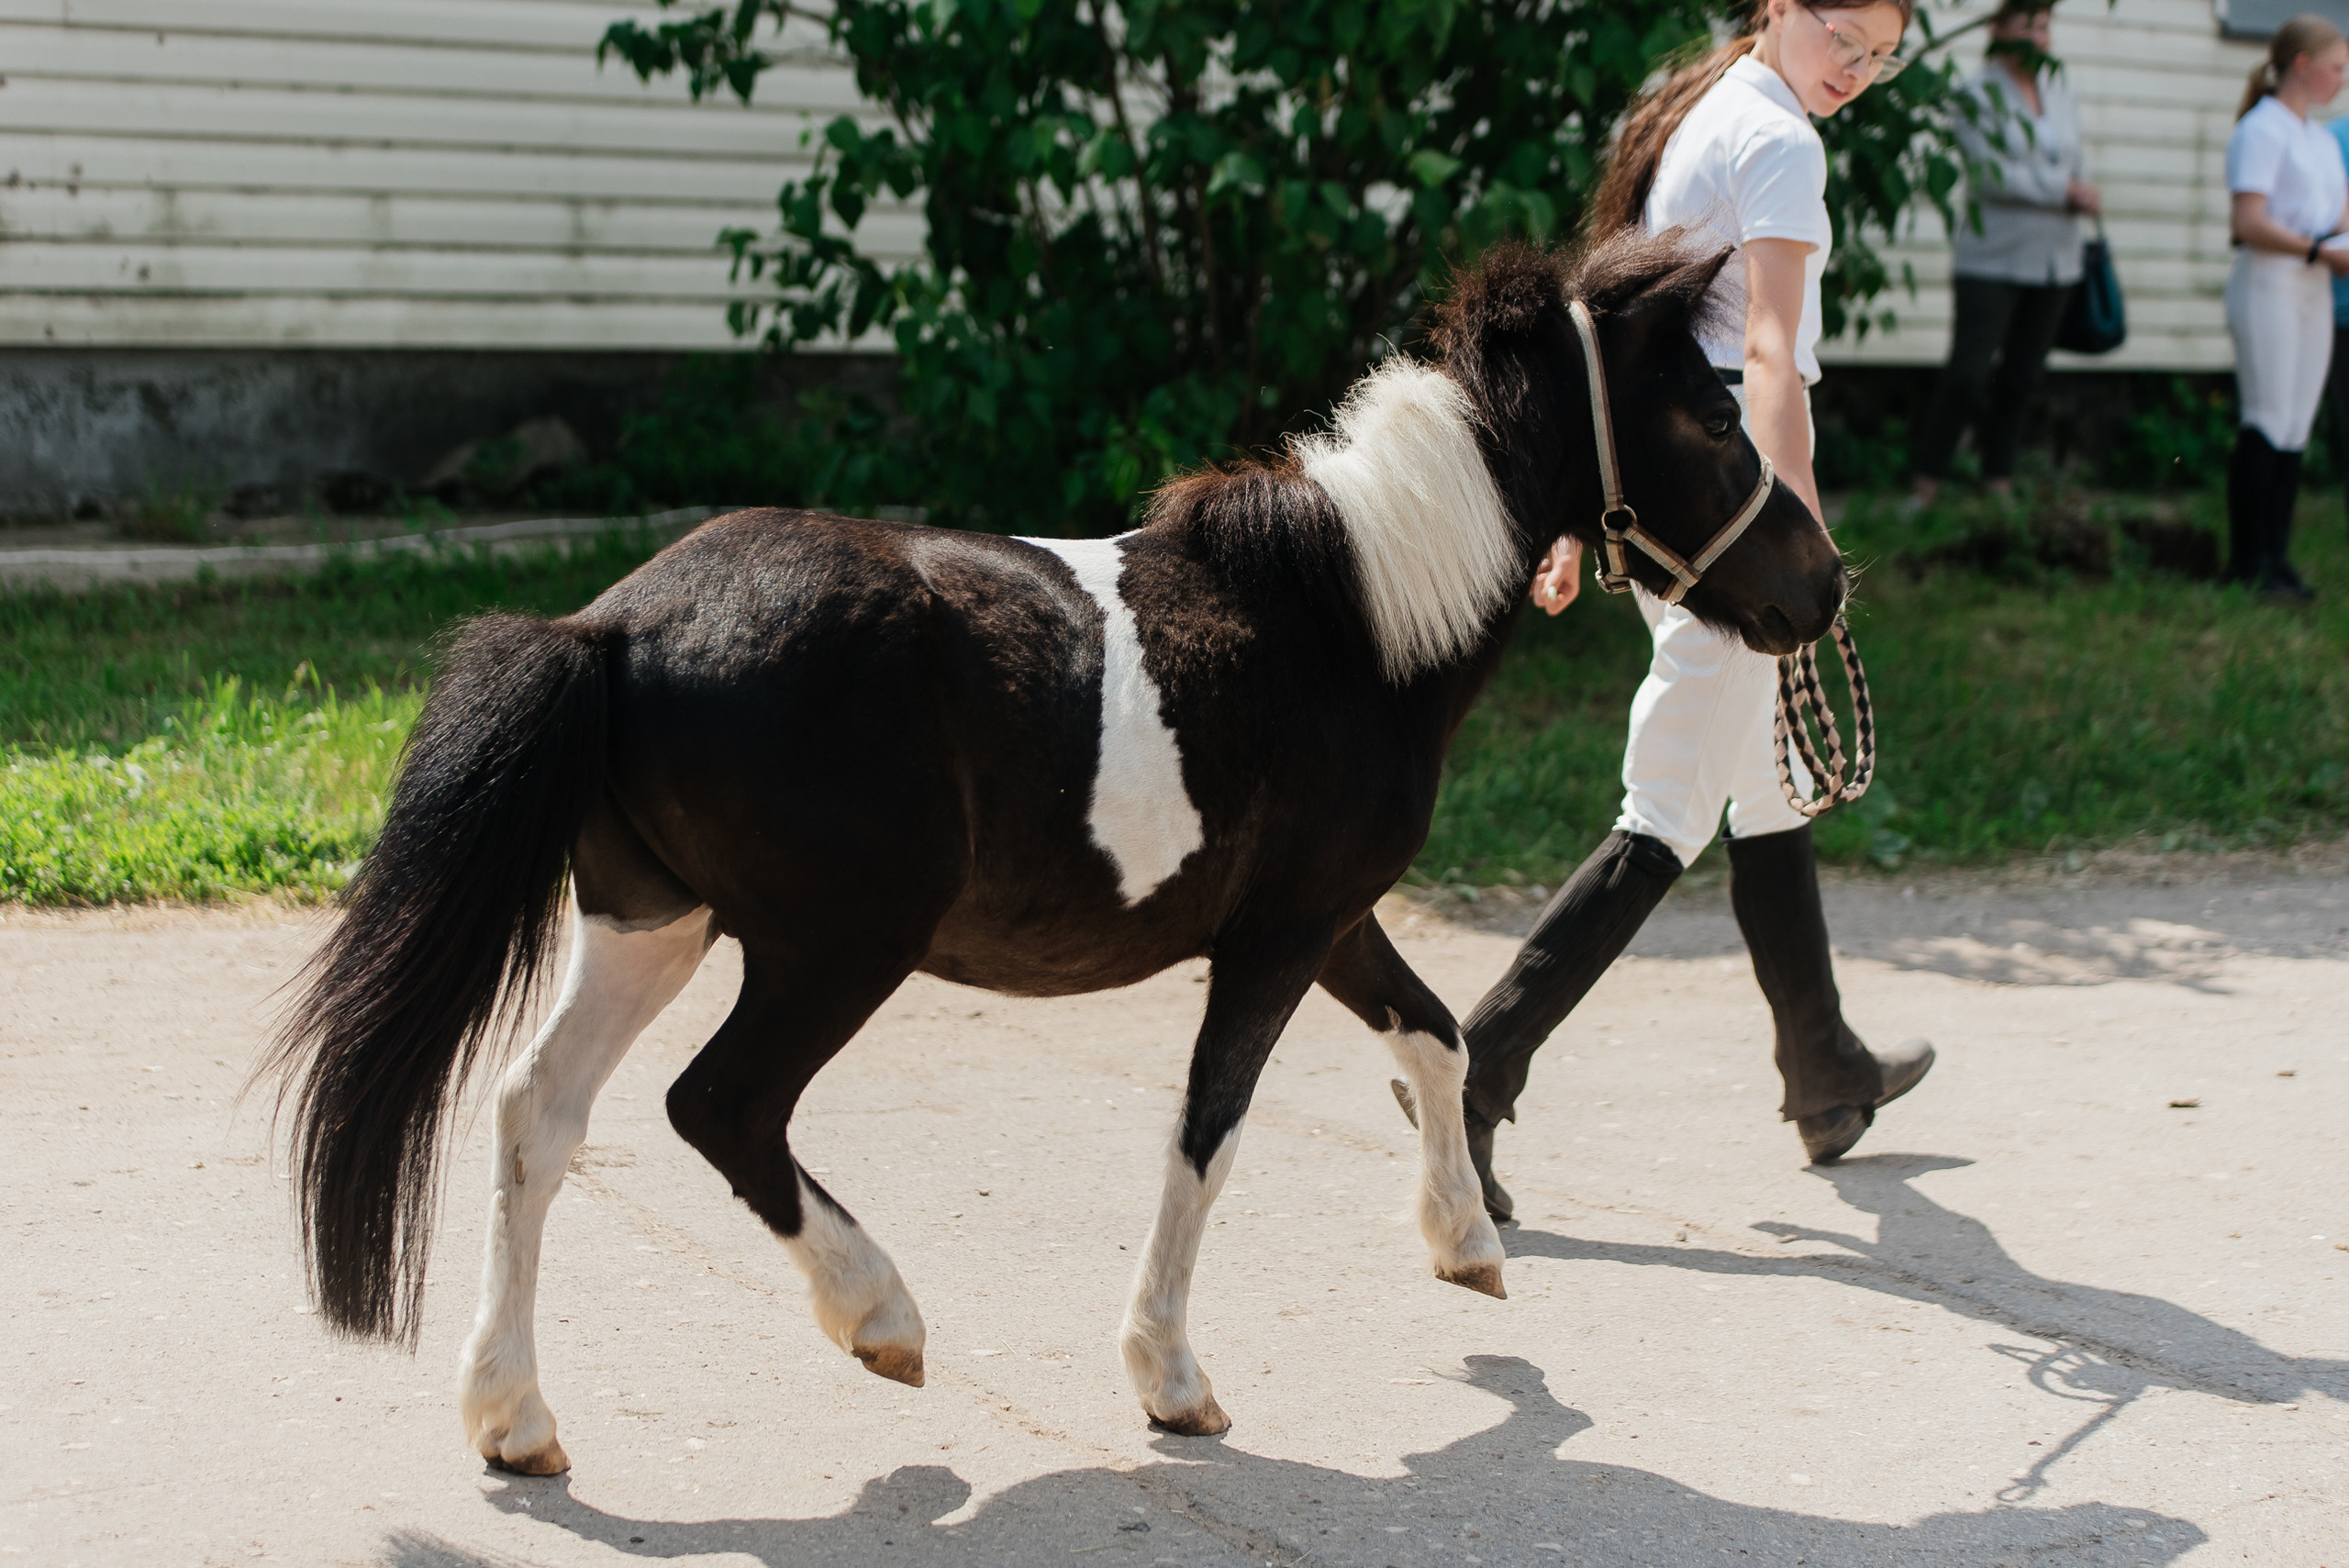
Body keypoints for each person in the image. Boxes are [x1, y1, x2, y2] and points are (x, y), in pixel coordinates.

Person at [1413, 0, 1936, 1219]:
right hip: (1727, 514)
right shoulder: (1779, 141)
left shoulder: (1693, 104)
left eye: (1882, 55)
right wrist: (1799, 540)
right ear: (1780, 7)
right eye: (1845, 39)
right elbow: (1771, 354)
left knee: (1760, 782)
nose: (1858, 70)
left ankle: (1824, 1067)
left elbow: (1619, 332)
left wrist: (1570, 518)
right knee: (1668, 809)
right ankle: (1474, 1073)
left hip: (1675, 502)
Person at [1909, 2, 2100, 505]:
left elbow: (2076, 157)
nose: (2039, 37)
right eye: (2028, 25)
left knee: (2023, 377)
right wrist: (2064, 190)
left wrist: (2083, 187)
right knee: (1967, 375)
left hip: (2055, 259)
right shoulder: (1976, 93)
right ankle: (1925, 485)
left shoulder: (2059, 87)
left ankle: (1999, 483)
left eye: (2045, 26)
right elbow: (1991, 175)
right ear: (1998, 29)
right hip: (1991, 259)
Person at [2225, 14, 2349, 598]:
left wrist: (2334, 247)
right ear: (2303, 65)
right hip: (2270, 284)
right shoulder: (2261, 129)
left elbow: (2339, 219)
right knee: (2268, 417)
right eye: (2337, 68)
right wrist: (2319, 250)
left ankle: (2277, 559)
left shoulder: (2320, 140)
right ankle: (2247, 561)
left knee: (2297, 424)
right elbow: (2248, 223)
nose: (2343, 80)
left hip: (2313, 288)